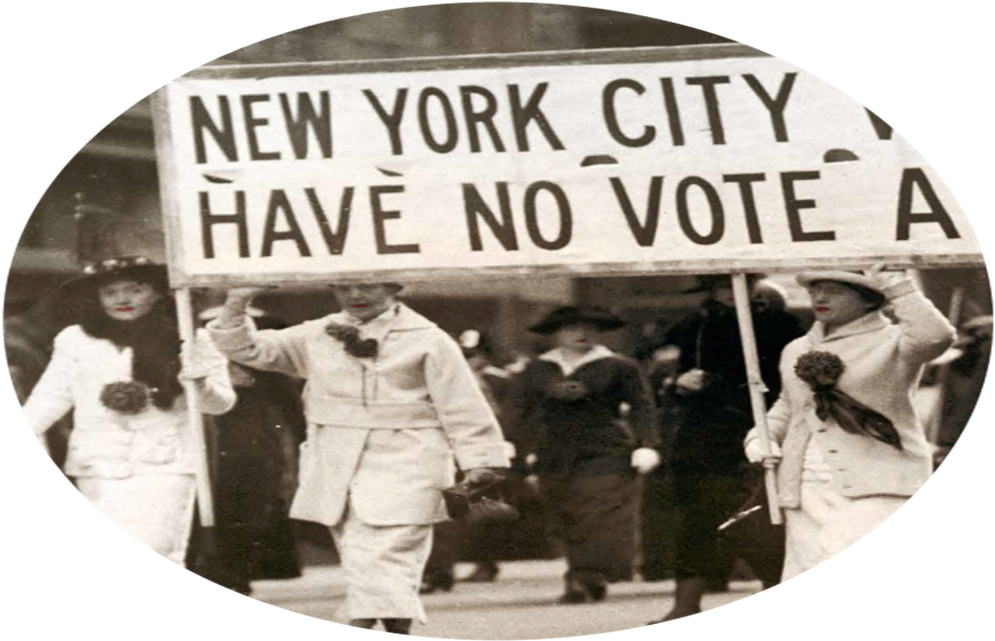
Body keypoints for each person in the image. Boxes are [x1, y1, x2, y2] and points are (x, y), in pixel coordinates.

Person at [208, 282, 510, 635]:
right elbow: (245, 348)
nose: (355, 296)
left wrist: (480, 464)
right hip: (338, 466)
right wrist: (238, 301)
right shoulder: (316, 334)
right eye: (344, 288)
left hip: (410, 460)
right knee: (362, 561)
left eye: (368, 286)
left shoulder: (429, 339)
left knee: (394, 556)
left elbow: (462, 404)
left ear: (393, 288)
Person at [20, 256, 236, 567]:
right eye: (110, 292)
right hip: (97, 467)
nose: (121, 299)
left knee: (158, 547)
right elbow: (48, 400)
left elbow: (222, 403)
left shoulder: (189, 336)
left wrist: (200, 385)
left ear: (158, 292)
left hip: (164, 466)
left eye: (134, 290)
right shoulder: (76, 341)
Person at [745, 267, 956, 581]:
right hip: (805, 486)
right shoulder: (796, 349)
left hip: (880, 480)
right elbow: (789, 406)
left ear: (868, 298)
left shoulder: (895, 340)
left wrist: (899, 285)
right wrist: (760, 437)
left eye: (835, 290)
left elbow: (935, 336)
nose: (819, 296)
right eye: (815, 288)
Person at [649, 275, 803, 623]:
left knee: (767, 517)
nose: (733, 293)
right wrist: (680, 383)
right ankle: (686, 602)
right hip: (704, 434)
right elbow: (681, 375)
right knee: (697, 517)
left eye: (743, 285)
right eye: (723, 287)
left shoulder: (780, 325)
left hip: (761, 426)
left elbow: (791, 378)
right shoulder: (696, 325)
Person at [510, 306, 660, 604]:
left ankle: (585, 577)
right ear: (556, 334)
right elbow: (520, 412)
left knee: (598, 511)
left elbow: (643, 407)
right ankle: (585, 574)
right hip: (553, 451)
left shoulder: (619, 366)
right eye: (571, 328)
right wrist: (515, 447)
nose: (581, 334)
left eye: (588, 327)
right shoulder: (537, 368)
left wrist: (647, 444)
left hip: (605, 449)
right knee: (565, 513)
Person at [194, 306, 307, 595]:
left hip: (251, 432)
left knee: (248, 502)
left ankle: (238, 573)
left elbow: (287, 399)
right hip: (206, 429)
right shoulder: (195, 333)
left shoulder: (266, 335)